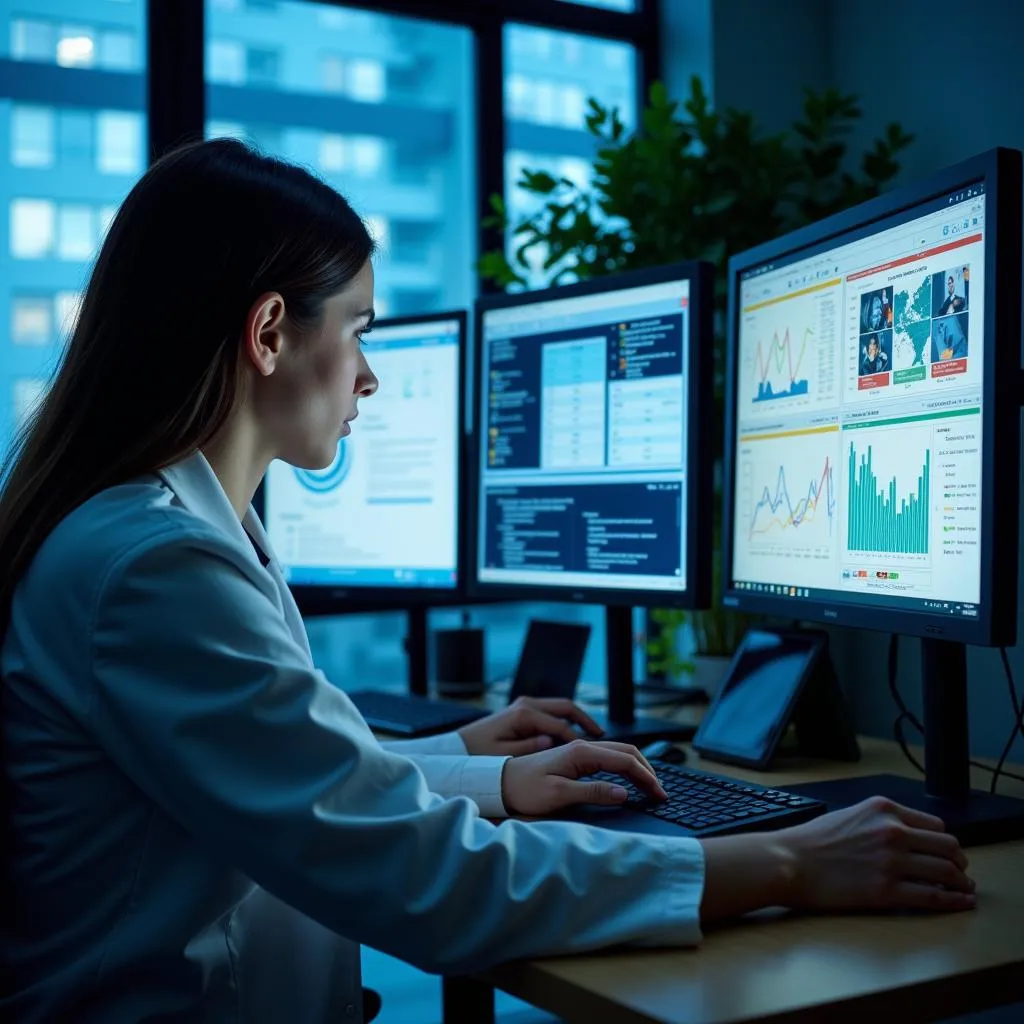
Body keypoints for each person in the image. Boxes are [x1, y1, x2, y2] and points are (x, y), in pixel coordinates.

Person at [0, 140, 975, 1023]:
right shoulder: (152, 569)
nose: (369, 378)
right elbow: (417, 875)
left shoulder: (160, 534)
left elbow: (289, 785)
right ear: (268, 334)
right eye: (360, 329)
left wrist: (489, 773)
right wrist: (785, 861)